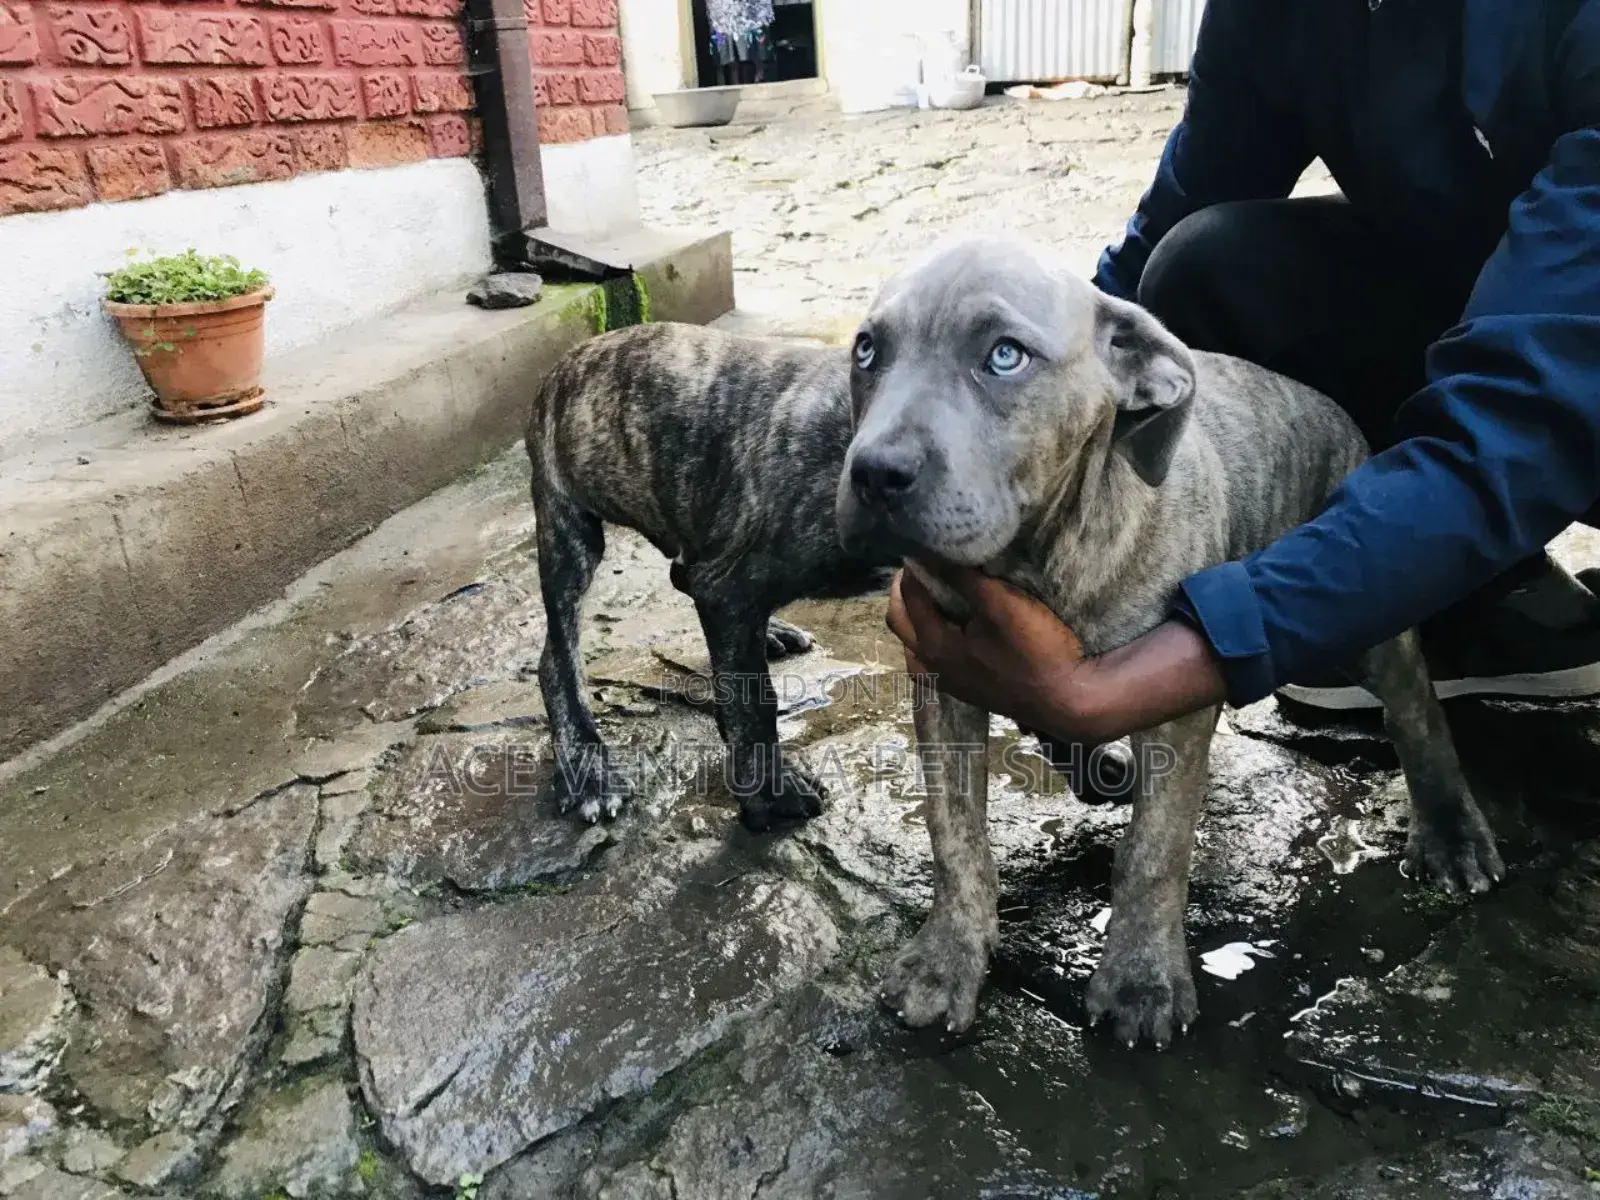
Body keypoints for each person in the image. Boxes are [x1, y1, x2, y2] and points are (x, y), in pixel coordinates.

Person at [886, 0, 1600, 743]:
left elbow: (1532, 406)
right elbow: (1174, 220)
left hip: (1573, 357)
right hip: (1493, 318)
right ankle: (1482, 598)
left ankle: (1430, 567)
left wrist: (1185, 656)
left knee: (1526, 415)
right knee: (1211, 269)